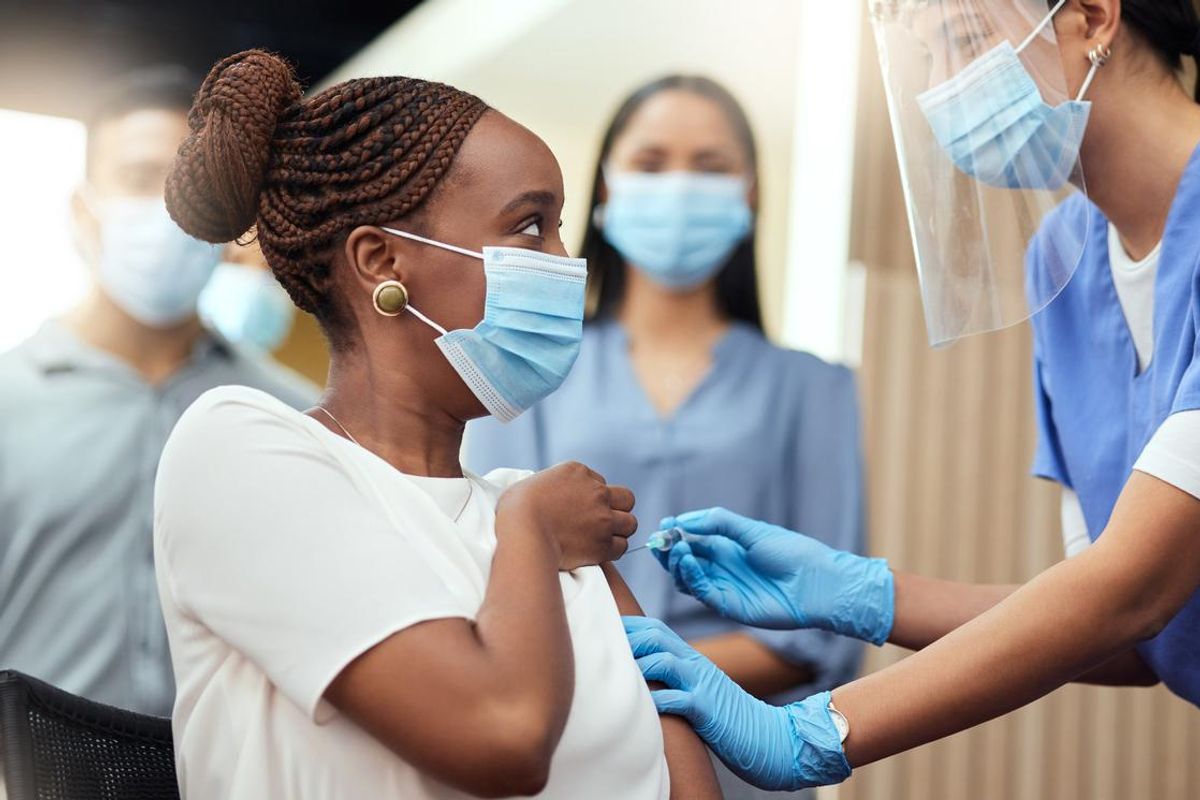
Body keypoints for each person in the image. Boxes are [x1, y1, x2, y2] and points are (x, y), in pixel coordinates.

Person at [627, 0, 1200, 790]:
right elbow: (1132, 638)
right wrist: (866, 595)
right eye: (925, 57)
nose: (943, 89)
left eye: (963, 40)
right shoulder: (1064, 265)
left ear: (1096, 17)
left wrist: (816, 728)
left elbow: (1133, 589)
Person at [153, 50, 721, 799]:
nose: (563, 263)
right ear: (382, 260)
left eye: (556, 229)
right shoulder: (236, 448)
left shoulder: (538, 511)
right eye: (529, 227)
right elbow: (501, 736)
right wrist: (531, 534)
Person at [467, 74, 865, 799]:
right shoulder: (528, 369)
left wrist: (664, 675)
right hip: (571, 747)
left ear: (749, 194)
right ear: (607, 190)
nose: (679, 186)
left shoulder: (817, 388)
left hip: (745, 757)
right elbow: (489, 557)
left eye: (709, 167)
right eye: (651, 164)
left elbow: (826, 630)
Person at [0, 65, 316, 716]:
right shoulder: (8, 399)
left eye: (195, 187)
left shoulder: (291, 414)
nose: (171, 208)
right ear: (82, 211)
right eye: (142, 180)